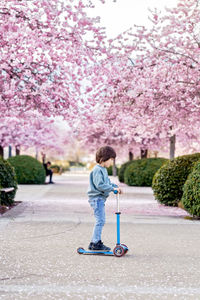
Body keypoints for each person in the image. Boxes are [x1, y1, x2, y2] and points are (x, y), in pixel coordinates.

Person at [87, 146, 122, 251]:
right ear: (104, 158)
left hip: (99, 199)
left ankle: (95, 241)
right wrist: (112, 189)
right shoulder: (97, 170)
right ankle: (95, 243)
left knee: (101, 220)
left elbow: (106, 182)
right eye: (111, 160)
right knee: (100, 220)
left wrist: (115, 186)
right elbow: (100, 185)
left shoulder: (103, 170)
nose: (112, 162)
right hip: (96, 198)